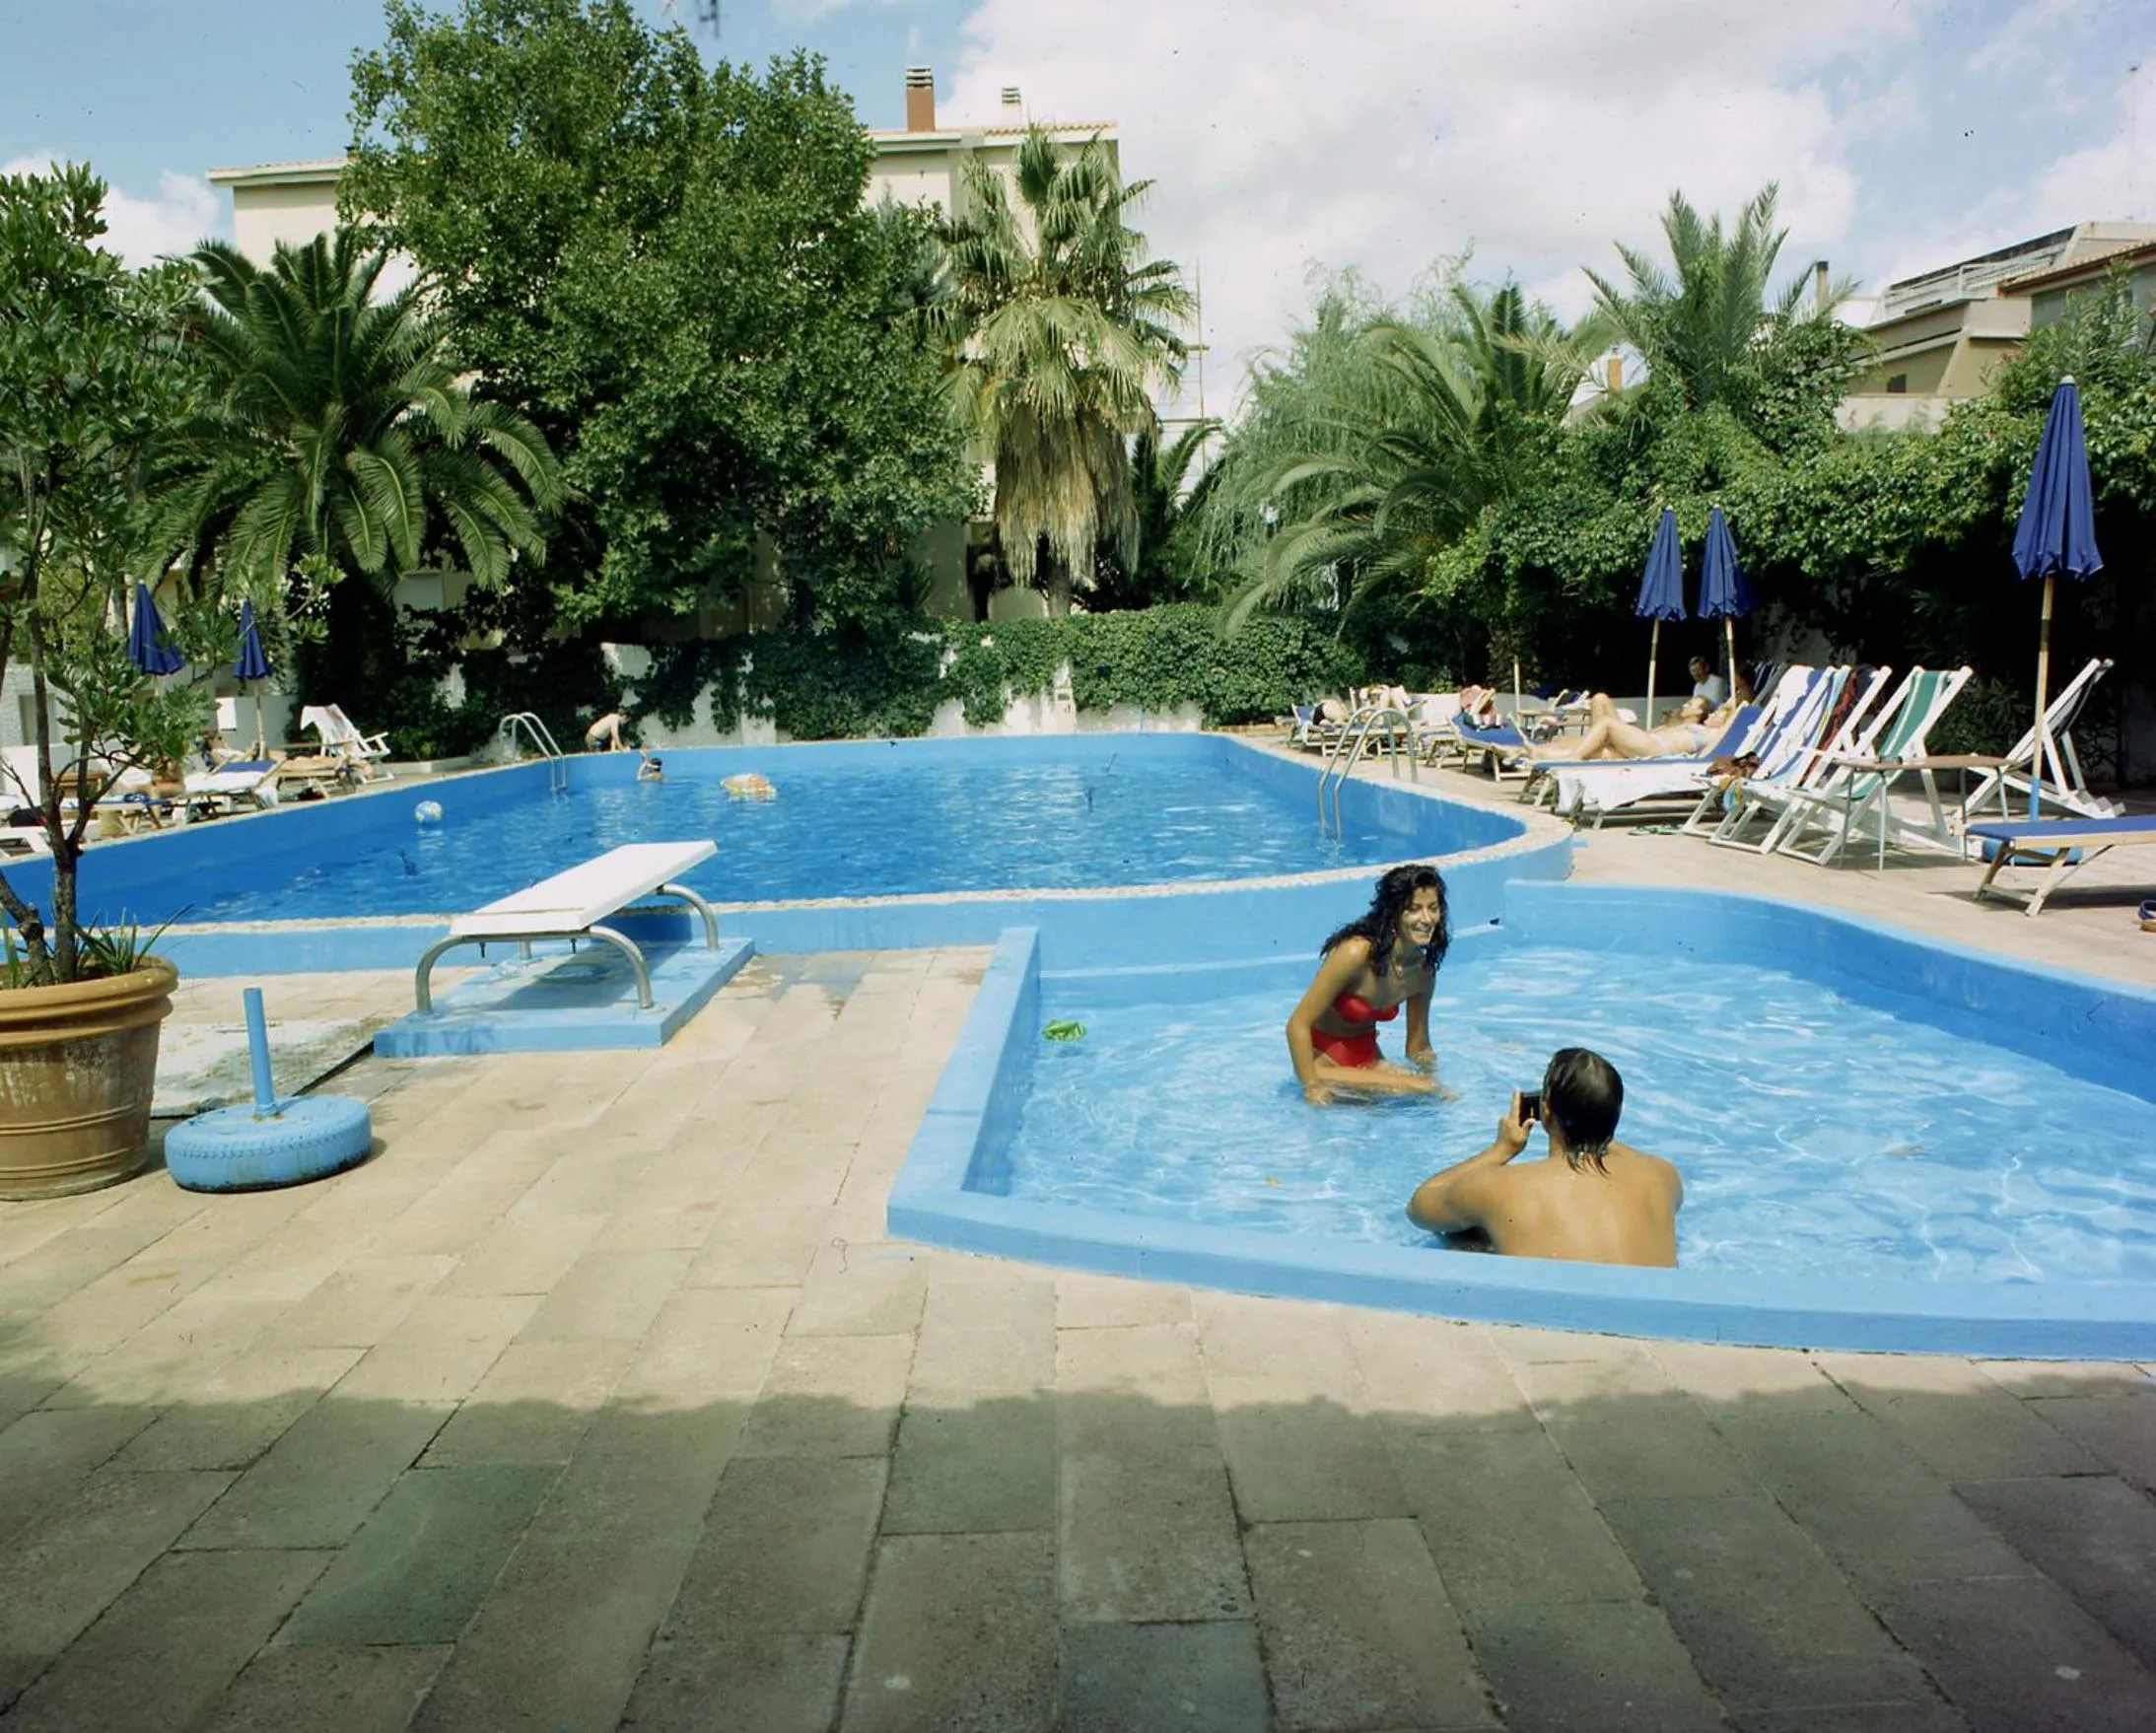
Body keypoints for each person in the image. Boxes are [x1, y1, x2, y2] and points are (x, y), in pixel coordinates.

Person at [1405, 1048, 1681, 1267]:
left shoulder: (1502, 1187)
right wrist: (1595, 1127)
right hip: (1660, 1319)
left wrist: (1502, 1149)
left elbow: (1419, 1209)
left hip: (1553, 1320)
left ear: (1545, 1111)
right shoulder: (1663, 1176)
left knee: (1464, 1236)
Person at [1286, 864, 1452, 1104]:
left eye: (1433, 908)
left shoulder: (1422, 972)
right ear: (1393, 913)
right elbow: (1297, 1025)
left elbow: (1419, 1048)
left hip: (1368, 1060)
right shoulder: (1356, 953)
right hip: (1320, 1063)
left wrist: (1434, 1079)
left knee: (1430, 1092)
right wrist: (1311, 1086)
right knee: (1417, 1088)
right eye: (1414, 909)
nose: (1426, 919)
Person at [1521, 692, 1726, 762]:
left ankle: (1574, 758)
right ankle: (1535, 752)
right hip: (1643, 740)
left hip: (1655, 749)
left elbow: (1732, 714)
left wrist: (1727, 711)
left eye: (1691, 704)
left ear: (1699, 712)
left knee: (1607, 724)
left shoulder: (1712, 733)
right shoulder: (1678, 723)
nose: (1685, 704)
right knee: (1600, 699)